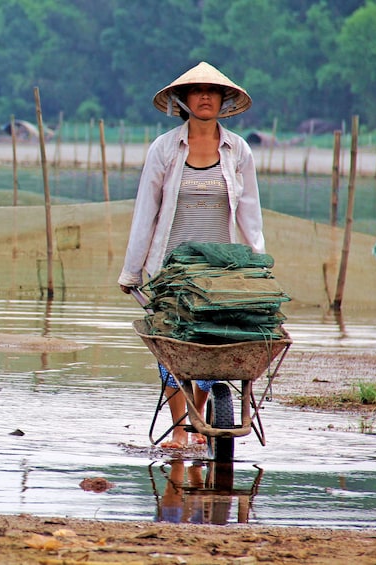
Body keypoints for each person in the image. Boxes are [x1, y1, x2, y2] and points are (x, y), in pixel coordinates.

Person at [118, 61, 265, 449]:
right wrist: (132, 270)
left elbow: (250, 212)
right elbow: (145, 212)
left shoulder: (238, 150)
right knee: (174, 344)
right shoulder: (165, 149)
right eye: (197, 91)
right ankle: (180, 429)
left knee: (210, 347)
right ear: (183, 101)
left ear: (223, 100)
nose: (204, 97)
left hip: (221, 270)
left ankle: (200, 421)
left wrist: (258, 267)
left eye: (212, 92)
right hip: (171, 268)